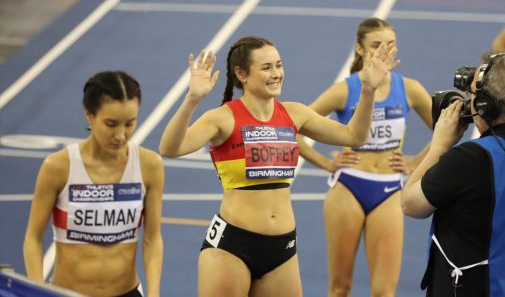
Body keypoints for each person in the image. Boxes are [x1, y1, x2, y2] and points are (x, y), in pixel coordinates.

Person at [159, 36, 399, 296]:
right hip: (232, 247)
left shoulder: (295, 113)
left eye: (279, 65)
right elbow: (170, 148)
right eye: (266, 68)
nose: (276, 74)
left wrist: (368, 90)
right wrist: (192, 100)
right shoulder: (223, 118)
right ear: (241, 74)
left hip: (282, 250)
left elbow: (355, 136)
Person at [297, 18, 433, 297]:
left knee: (384, 292)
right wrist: (324, 163)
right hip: (348, 187)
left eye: (391, 44)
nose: (385, 50)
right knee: (339, 289)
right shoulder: (344, 90)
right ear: (359, 50)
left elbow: (447, 131)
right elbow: (292, 127)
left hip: (389, 190)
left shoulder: (409, 89)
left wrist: (414, 162)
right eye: (376, 45)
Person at [401, 53, 505, 296]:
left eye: (473, 96)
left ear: (484, 106)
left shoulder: (470, 159)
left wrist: (438, 147)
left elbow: (411, 204)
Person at [23, 71, 164, 297]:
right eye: (111, 124)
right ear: (90, 116)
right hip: (67, 292)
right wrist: (38, 291)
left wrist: (154, 293)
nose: (121, 135)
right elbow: (32, 238)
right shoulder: (58, 167)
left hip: (127, 292)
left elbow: (152, 238)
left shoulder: (150, 166)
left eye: (130, 123)